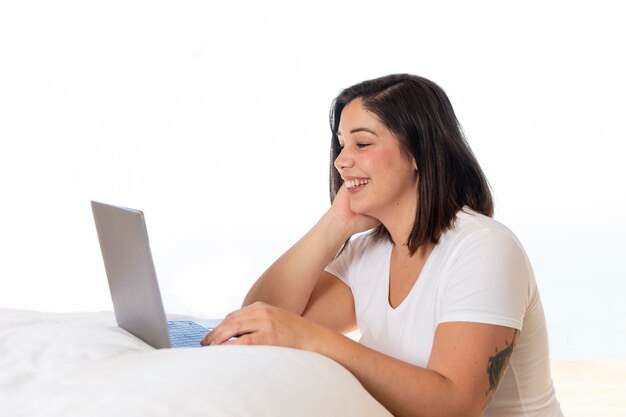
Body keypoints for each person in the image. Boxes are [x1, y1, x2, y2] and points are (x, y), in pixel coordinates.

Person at [201, 74, 563, 417]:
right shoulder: (369, 253)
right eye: (341, 146)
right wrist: (335, 224)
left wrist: (313, 339)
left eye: (362, 143)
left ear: (419, 152)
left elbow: (455, 407)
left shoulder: (484, 250)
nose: (342, 161)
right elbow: (256, 326)